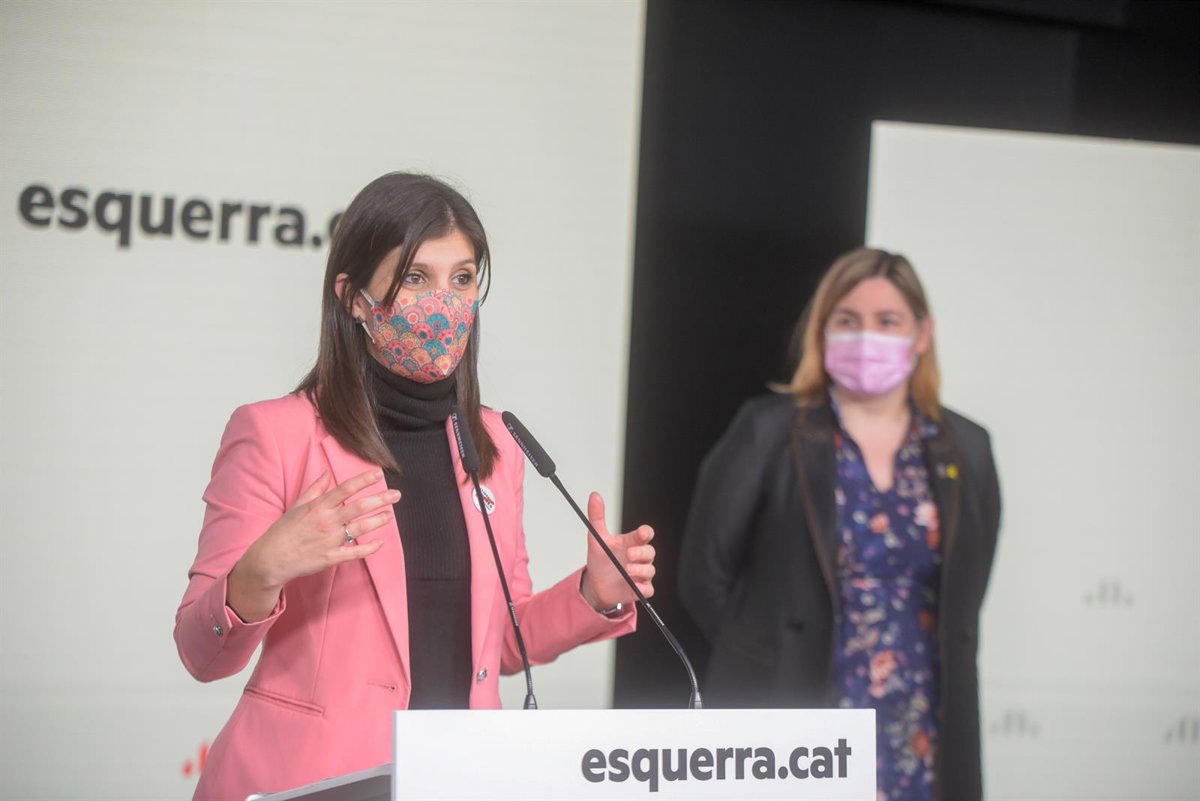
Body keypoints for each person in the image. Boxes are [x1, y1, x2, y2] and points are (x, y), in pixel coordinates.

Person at [174, 172, 656, 800]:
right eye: (416, 278)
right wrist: (261, 571)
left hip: (461, 779)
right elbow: (201, 653)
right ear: (353, 297)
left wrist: (592, 594)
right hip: (315, 782)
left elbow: (501, 646)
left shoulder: (495, 442)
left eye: (462, 278)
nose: (444, 302)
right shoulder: (276, 434)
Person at [678, 248, 999, 801]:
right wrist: (770, 657)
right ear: (822, 331)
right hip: (796, 718)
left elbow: (967, 586)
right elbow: (702, 578)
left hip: (918, 721)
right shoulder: (768, 430)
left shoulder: (966, 447)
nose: (867, 336)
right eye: (848, 320)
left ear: (922, 334)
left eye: (887, 321)